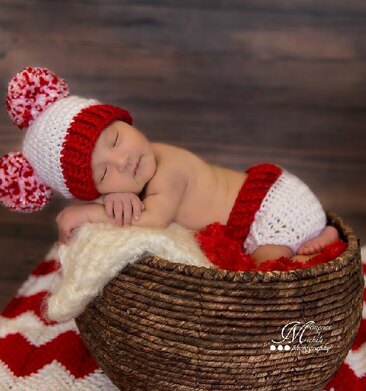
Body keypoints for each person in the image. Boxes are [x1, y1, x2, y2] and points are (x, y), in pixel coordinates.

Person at [0, 67, 338, 264]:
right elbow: (130, 207)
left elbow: (153, 218)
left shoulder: (168, 168)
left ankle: (316, 244)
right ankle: (320, 234)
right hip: (262, 205)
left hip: (272, 210)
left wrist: (87, 213)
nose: (123, 160)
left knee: (269, 273)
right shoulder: (137, 176)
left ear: (124, 120)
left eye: (115, 139)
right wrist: (114, 201)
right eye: (104, 173)